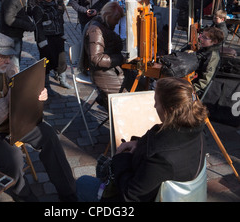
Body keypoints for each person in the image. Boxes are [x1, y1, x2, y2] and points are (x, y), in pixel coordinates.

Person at [0, 33, 77, 202]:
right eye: (3, 56)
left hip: (12, 120)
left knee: (48, 135)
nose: (8, 61)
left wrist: (37, 94)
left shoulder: (8, 66)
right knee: (14, 158)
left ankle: (68, 194)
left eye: (10, 56)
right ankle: (26, 198)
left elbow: (20, 91)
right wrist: (7, 101)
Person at [76, 77, 208, 202]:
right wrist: (138, 143)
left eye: (157, 102)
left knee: (82, 184)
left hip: (142, 194)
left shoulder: (162, 158)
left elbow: (131, 196)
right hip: (155, 185)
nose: (154, 106)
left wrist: (121, 159)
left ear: (170, 110)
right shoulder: (194, 131)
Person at [80, 1, 127, 109]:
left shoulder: (105, 26)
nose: (117, 23)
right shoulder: (96, 30)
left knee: (134, 83)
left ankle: (104, 99)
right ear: (108, 16)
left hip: (109, 68)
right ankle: (107, 102)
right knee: (124, 97)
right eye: (116, 20)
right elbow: (96, 59)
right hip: (99, 72)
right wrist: (119, 59)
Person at [32, 0, 72, 93]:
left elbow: (60, 21)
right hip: (46, 38)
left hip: (58, 36)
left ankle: (63, 80)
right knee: (46, 61)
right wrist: (41, 40)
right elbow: (38, 26)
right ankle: (46, 85)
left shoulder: (56, 6)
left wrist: (62, 34)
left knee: (61, 59)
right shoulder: (38, 8)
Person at [0, 0, 35, 68]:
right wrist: (26, 25)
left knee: (15, 64)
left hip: (16, 35)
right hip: (10, 37)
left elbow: (21, 13)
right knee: (13, 67)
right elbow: (9, 19)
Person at [192, 26, 224, 98]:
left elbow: (205, 80)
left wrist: (191, 89)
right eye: (201, 35)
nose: (200, 38)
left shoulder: (213, 55)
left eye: (204, 38)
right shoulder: (205, 49)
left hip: (197, 89)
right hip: (193, 80)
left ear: (215, 41)